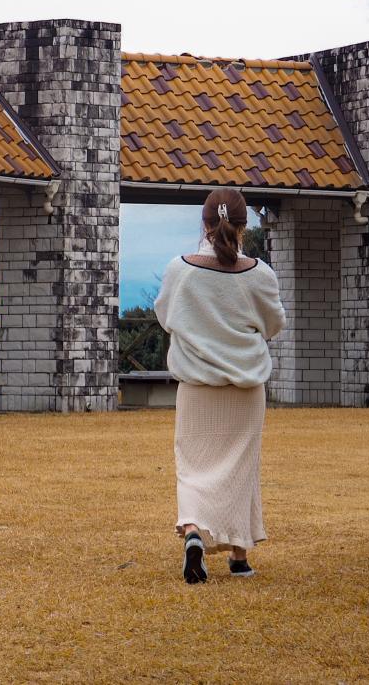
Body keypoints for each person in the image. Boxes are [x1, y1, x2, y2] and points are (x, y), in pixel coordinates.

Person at [153, 187, 286, 584]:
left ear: (204, 223)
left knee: (192, 468)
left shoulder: (180, 270)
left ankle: (194, 533)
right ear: (245, 226)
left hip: (196, 388)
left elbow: (165, 315)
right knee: (243, 469)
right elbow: (274, 324)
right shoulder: (260, 273)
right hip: (246, 390)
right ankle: (240, 556)